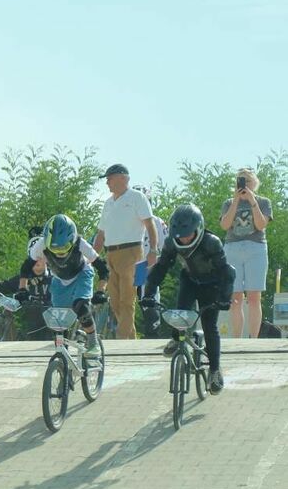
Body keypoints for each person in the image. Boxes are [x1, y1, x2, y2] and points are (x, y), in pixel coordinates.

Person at [140, 204, 234, 393]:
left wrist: (225, 298)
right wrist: (148, 293)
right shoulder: (171, 243)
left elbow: (227, 272)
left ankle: (215, 371)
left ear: (198, 228)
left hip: (212, 284)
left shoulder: (212, 242)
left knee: (210, 326)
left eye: (188, 234)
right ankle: (177, 339)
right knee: (180, 314)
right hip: (190, 280)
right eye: (179, 235)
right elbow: (160, 269)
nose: (184, 239)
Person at [22, 214, 109, 355]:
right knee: (58, 319)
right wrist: (22, 289)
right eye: (55, 250)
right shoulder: (40, 245)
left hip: (82, 274)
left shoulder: (81, 243)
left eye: (64, 248)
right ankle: (62, 355)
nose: (60, 253)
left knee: (80, 305)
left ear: (72, 239)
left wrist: (101, 291)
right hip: (60, 279)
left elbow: (103, 269)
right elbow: (26, 268)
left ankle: (93, 342)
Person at [92, 164, 158, 339]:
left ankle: (120, 343)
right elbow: (101, 234)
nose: (107, 182)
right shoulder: (108, 203)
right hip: (111, 254)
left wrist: (153, 250)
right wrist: (92, 257)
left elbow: (150, 225)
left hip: (133, 252)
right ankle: (131, 340)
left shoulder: (137, 197)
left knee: (127, 300)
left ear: (123, 178)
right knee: (115, 301)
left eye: (110, 178)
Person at [219, 167, 273, 338]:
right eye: (240, 181)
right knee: (235, 298)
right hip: (232, 248)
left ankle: (254, 338)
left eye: (247, 181)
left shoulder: (263, 202)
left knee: (254, 296)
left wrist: (252, 200)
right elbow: (225, 225)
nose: (243, 184)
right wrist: (236, 200)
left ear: (254, 183)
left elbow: (261, 224)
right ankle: (236, 338)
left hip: (255, 248)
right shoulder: (228, 202)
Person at [132, 186, 169, 335]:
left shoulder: (157, 223)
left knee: (150, 307)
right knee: (122, 309)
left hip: (146, 267)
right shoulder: (124, 222)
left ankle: (152, 337)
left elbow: (167, 248)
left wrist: (155, 266)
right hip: (126, 268)